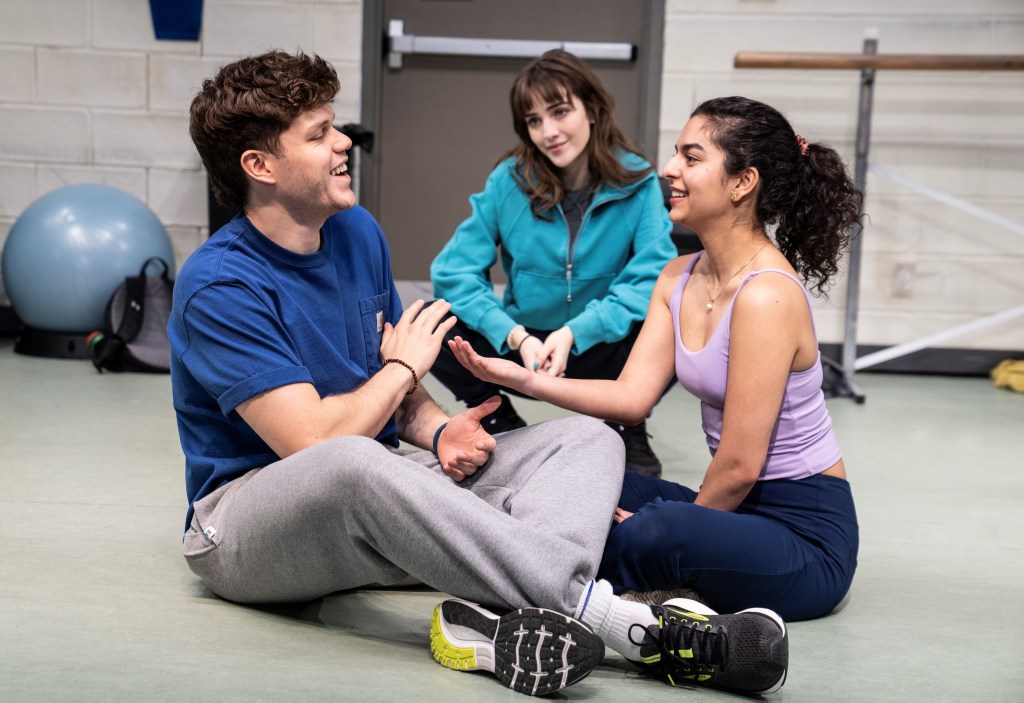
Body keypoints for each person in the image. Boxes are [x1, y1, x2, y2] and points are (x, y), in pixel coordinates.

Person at [172, 52, 788, 697]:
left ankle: (498, 627)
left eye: (335, 125)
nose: (342, 141)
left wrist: (439, 432)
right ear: (260, 166)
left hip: (376, 494)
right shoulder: (220, 285)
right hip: (245, 527)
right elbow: (314, 445)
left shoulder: (355, 233)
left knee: (587, 439)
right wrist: (407, 363)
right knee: (353, 462)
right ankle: (631, 626)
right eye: (319, 133)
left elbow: (390, 389)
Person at [450, 95, 861, 623]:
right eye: (676, 155)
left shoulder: (766, 295)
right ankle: (548, 562)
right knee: (585, 470)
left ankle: (509, 566)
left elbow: (737, 468)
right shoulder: (679, 275)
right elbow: (630, 398)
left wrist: (668, 525)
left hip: (804, 537)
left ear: (742, 182)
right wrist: (521, 380)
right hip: (738, 515)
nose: (669, 169)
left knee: (659, 530)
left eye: (691, 158)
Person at [430, 49, 677, 476]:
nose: (549, 132)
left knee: (677, 321)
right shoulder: (509, 180)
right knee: (433, 325)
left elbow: (652, 276)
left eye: (560, 112)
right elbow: (452, 273)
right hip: (524, 348)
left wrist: (577, 331)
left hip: (601, 346)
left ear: (593, 109)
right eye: (534, 121)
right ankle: (495, 416)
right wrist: (513, 335)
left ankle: (626, 419)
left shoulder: (637, 183)